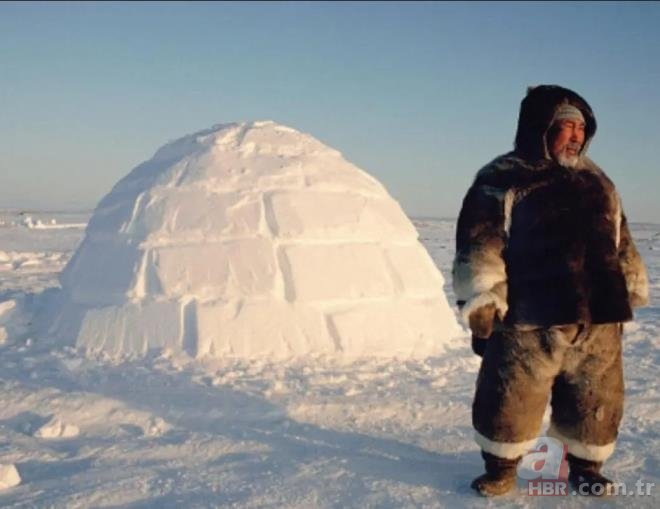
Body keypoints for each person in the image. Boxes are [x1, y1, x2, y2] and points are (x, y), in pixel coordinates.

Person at [452, 85, 649, 497]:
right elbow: (480, 242)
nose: (575, 135)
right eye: (566, 125)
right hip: (529, 314)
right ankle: (502, 465)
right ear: (540, 128)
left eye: (581, 127)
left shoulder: (599, 181)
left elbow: (620, 236)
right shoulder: (503, 177)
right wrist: (483, 298)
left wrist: (629, 284)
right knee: (512, 395)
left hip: (597, 315)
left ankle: (586, 465)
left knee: (594, 397)